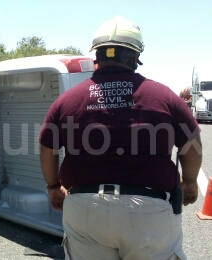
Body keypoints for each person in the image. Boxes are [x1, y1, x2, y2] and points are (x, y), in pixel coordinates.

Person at [38, 16, 202, 260]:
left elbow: (47, 146)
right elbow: (192, 143)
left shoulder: (67, 100)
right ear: (135, 58)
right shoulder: (164, 97)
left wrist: (52, 187)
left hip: (85, 209)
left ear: (98, 57)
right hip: (148, 212)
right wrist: (189, 181)